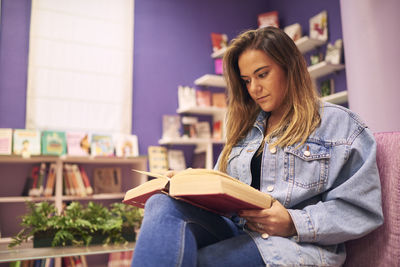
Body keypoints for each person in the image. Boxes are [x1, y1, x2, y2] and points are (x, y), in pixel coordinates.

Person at [131, 27, 383, 267]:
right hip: (238, 232)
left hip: (293, 246)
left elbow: (361, 209)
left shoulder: (340, 125)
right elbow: (220, 187)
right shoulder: (246, 128)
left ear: (290, 68)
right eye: (247, 80)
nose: (254, 89)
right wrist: (187, 184)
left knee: (199, 261)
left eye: (262, 74)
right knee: (161, 205)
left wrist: (293, 222)